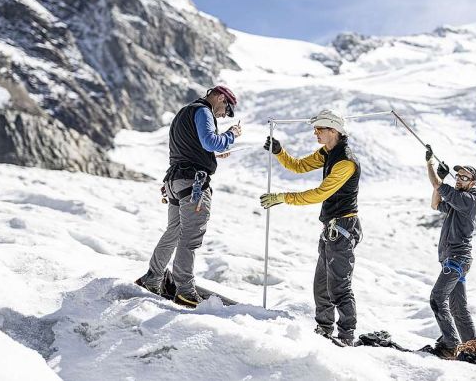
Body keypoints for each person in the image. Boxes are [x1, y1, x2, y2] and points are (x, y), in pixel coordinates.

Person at [259, 109, 362, 346]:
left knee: (339, 287)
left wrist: (283, 197)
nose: (315, 133)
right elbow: (298, 166)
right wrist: (279, 152)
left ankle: (346, 336)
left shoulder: (345, 161)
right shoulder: (328, 153)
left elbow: (320, 194)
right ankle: (324, 330)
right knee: (322, 285)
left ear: (333, 131)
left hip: (343, 228)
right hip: (332, 228)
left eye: (320, 129)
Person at [136, 85, 242, 308]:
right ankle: (185, 290)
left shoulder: (184, 112)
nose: (224, 114)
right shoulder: (203, 111)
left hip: (175, 182)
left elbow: (193, 147)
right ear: (220, 97)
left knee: (174, 231)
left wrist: (209, 155)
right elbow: (210, 142)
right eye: (227, 109)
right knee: (191, 236)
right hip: (193, 184)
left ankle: (153, 278)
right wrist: (230, 134)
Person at [422, 145, 476, 358]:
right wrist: (441, 183)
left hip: (456, 260)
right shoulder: (458, 202)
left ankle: (451, 344)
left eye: (464, 177)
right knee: (458, 309)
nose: (459, 179)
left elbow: (438, 185)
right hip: (456, 261)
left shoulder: (467, 200)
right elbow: (435, 204)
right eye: (458, 176)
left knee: (437, 298)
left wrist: (431, 166)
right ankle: (474, 350)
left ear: (472, 183)